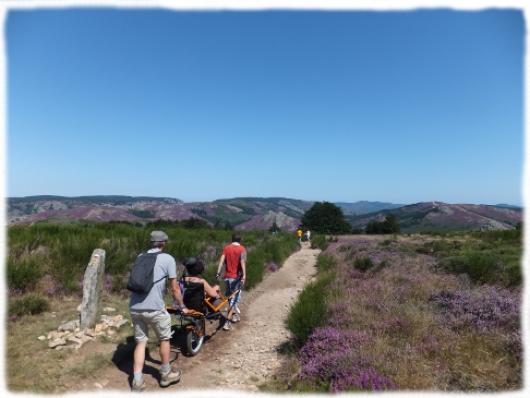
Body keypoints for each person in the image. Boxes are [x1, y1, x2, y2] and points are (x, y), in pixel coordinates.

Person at [129, 230, 188, 392]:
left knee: (141, 342)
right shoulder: (167, 258)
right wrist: (181, 305)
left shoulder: (140, 257)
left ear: (151, 243)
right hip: (155, 308)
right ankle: (165, 374)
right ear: (163, 243)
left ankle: (137, 381)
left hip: (135, 307)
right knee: (164, 339)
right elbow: (175, 288)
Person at [216, 233, 247, 331]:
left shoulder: (226, 248)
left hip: (227, 277)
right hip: (236, 278)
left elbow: (221, 261)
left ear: (232, 239)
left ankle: (233, 315)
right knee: (233, 299)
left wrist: (218, 272)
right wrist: (244, 275)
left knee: (230, 298)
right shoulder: (242, 249)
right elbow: (242, 262)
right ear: (240, 239)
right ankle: (227, 322)